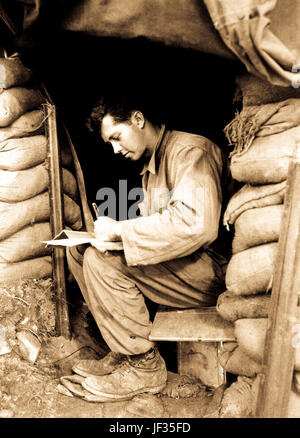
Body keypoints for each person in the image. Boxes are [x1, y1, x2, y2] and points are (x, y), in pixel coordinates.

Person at [67, 95, 232, 402]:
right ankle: (124, 350)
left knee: (101, 261)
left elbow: (197, 225)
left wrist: (120, 231)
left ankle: (144, 366)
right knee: (78, 252)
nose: (115, 149)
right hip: (187, 267)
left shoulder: (190, 152)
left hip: (214, 274)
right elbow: (161, 229)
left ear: (139, 119)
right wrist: (115, 237)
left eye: (116, 137)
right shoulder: (152, 166)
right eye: (110, 143)